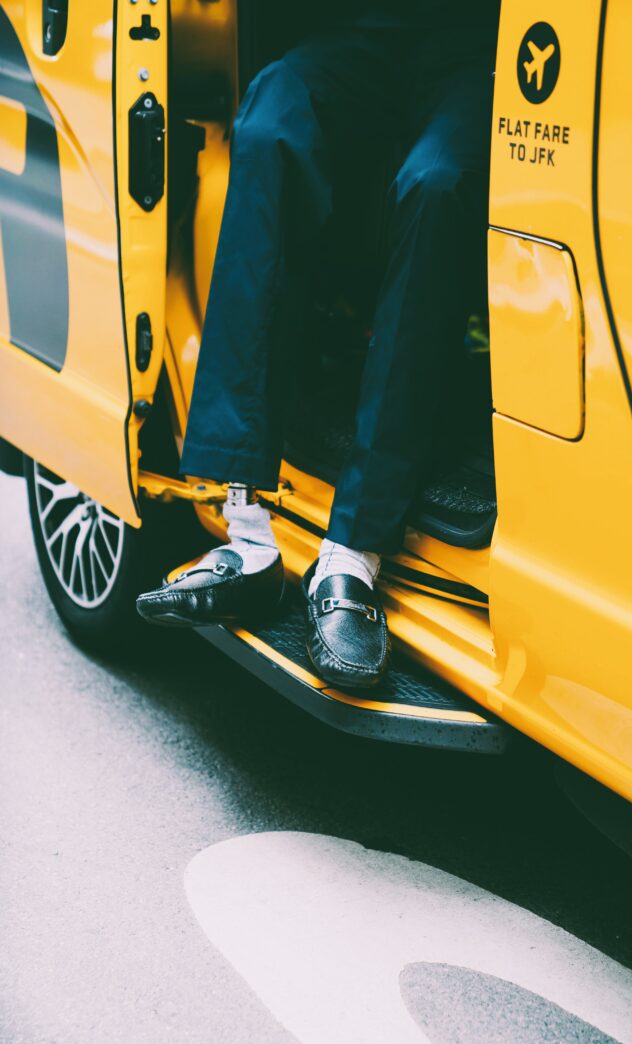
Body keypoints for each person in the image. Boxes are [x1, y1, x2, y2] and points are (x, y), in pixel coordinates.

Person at [136, 1, 500, 689]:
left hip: (488, 45)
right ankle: (245, 535)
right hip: (372, 30)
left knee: (437, 183)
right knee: (273, 113)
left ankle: (352, 556)